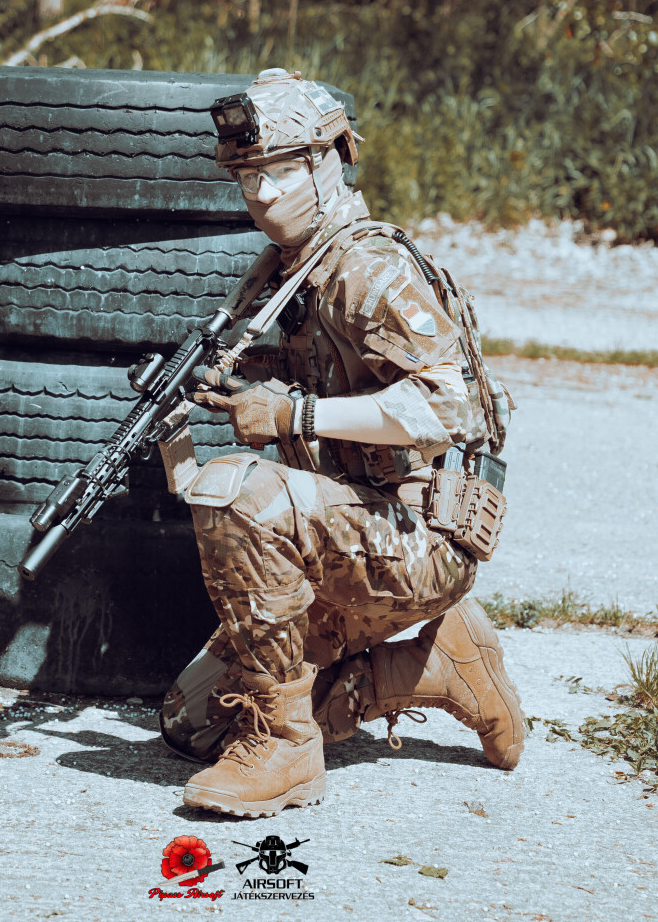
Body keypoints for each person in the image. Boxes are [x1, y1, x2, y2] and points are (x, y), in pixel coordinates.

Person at [159, 67, 523, 818]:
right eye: (248, 177)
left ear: (329, 162)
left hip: (424, 535)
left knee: (240, 491)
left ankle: (286, 749)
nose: (263, 195)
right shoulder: (284, 273)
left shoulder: (367, 267)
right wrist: (186, 429)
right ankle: (432, 665)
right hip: (346, 535)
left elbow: (447, 404)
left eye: (281, 172)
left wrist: (296, 418)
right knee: (192, 724)